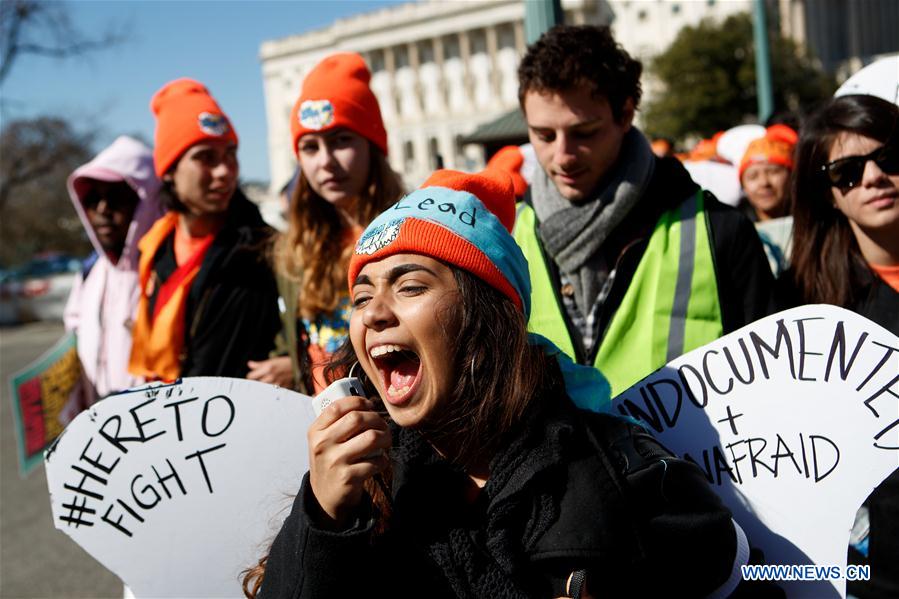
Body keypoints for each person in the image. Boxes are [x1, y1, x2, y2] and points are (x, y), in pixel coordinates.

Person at [244, 169, 752, 599]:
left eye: (411, 286)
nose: (373, 313)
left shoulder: (621, 474)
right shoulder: (364, 482)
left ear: (487, 316)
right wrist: (324, 519)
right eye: (359, 297)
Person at [514, 25, 776, 396]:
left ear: (625, 114)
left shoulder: (721, 233)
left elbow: (774, 388)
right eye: (543, 135)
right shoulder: (507, 235)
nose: (562, 156)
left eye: (584, 133)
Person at [785, 93, 898, 599]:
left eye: (890, 158)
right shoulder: (801, 308)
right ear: (827, 192)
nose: (873, 177)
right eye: (847, 172)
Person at [246, 53, 404, 393]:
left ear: (372, 145)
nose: (326, 162)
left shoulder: (412, 235)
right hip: (324, 428)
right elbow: (300, 336)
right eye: (310, 147)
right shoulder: (293, 250)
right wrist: (291, 361)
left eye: (341, 141)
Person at [128, 78, 280, 381]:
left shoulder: (261, 249)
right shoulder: (155, 248)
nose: (225, 171)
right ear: (169, 170)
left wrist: (297, 364)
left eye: (229, 155)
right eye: (205, 158)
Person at [61, 136, 164, 421]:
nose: (103, 210)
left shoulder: (167, 272)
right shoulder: (91, 272)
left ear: (147, 201)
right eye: (93, 198)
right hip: (101, 434)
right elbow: (72, 336)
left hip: (157, 432)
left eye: (117, 197)